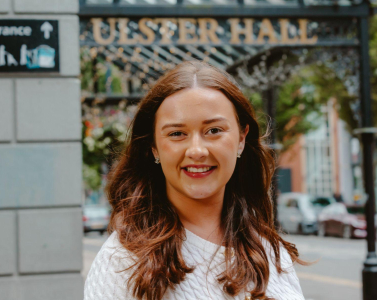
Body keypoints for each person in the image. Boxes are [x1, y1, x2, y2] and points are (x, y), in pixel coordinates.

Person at [84, 61, 306, 300]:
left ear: (242, 138)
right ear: (154, 147)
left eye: (214, 131)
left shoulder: (270, 252)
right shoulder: (122, 261)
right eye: (177, 134)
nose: (197, 150)